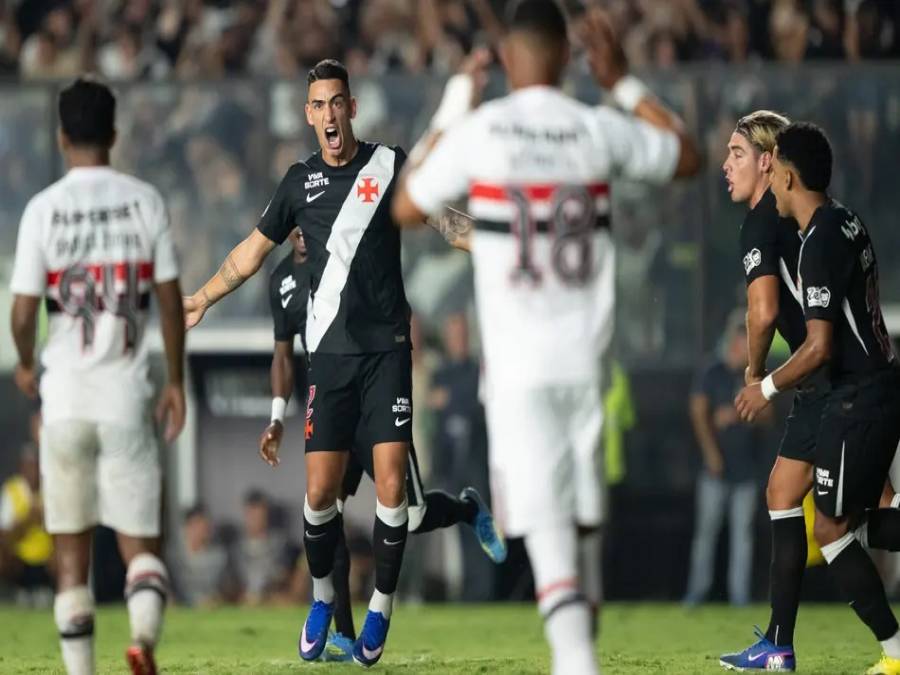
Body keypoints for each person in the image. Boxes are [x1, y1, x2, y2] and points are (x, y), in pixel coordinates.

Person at [391, 2, 700, 673]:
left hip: (518, 368)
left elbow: (407, 204)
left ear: (506, 57)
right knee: (581, 525)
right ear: (568, 56)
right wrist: (622, 83)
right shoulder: (595, 126)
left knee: (552, 532)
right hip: (588, 364)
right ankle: (579, 642)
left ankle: (575, 660)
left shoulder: (484, 130)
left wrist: (454, 103)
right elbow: (687, 154)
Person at [184, 59, 418, 667]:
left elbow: (443, 219)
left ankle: (381, 607)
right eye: (319, 105)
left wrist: (497, 239)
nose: (330, 114)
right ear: (309, 115)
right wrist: (203, 297)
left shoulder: (388, 165)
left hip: (386, 353)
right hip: (331, 361)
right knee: (318, 496)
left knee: (393, 489)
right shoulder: (298, 182)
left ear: (352, 108)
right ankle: (321, 600)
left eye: (338, 101)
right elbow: (249, 253)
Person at [258, 226, 505, 660]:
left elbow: (395, 302)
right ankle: (343, 633)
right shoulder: (283, 281)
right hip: (334, 406)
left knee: (412, 517)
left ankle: (467, 508)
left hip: (373, 400)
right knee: (326, 513)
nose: (301, 233)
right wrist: (277, 417)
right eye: (293, 225)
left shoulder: (347, 253)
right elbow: (282, 354)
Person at [9, 77, 186, 675]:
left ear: (62, 137)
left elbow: (23, 313)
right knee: (141, 548)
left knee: (70, 562)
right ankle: (142, 639)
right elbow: (169, 302)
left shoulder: (43, 210)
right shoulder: (145, 201)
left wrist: (27, 362)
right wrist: (176, 380)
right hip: (126, 396)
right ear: (114, 133)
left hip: (64, 402)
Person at [735, 122, 900, 675]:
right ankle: (783, 644)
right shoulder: (845, 220)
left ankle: (895, 651)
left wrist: (763, 384)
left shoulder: (816, 241)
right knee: (805, 504)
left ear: (783, 173)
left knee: (834, 527)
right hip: (863, 388)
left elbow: (818, 343)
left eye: (738, 153)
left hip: (855, 396)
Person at [684, 312, 766, 607]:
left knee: (742, 537)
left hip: (746, 469)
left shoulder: (753, 376)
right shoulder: (712, 372)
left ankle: (739, 597)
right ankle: (697, 593)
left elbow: (767, 415)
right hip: (715, 470)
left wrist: (740, 413)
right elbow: (698, 413)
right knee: (705, 535)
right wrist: (711, 454)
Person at [0, 445, 54, 607]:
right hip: (20, 558)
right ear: (22, 468)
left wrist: (45, 518)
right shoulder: (12, 490)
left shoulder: (50, 489)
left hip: (48, 556)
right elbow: (4, 535)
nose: (33, 471)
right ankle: (14, 591)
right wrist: (26, 521)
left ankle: (56, 590)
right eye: (29, 466)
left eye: (36, 466)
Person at [171, 505, 231, 608]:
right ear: (187, 527)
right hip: (182, 608)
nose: (203, 529)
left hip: (210, 609)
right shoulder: (173, 556)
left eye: (205, 525)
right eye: (197, 525)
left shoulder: (219, 556)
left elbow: (225, 590)